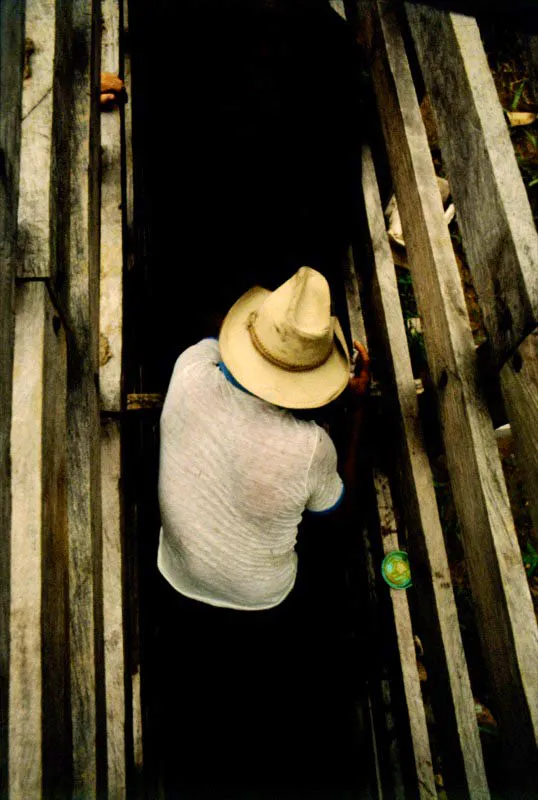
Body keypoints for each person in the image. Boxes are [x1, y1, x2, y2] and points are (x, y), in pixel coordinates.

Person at [154, 266, 369, 798]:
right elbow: (339, 516)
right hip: (262, 604)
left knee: (195, 692)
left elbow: (213, 343)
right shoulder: (309, 449)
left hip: (174, 574)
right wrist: (357, 407)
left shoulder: (190, 367)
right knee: (266, 688)